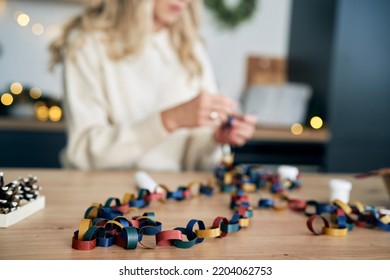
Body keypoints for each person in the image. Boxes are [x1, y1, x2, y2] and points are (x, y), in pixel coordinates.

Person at [50, 0, 256, 171]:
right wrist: (169, 120)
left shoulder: (191, 48)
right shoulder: (87, 45)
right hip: (102, 203)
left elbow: (195, 159)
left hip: (172, 198)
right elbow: (84, 153)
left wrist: (214, 139)